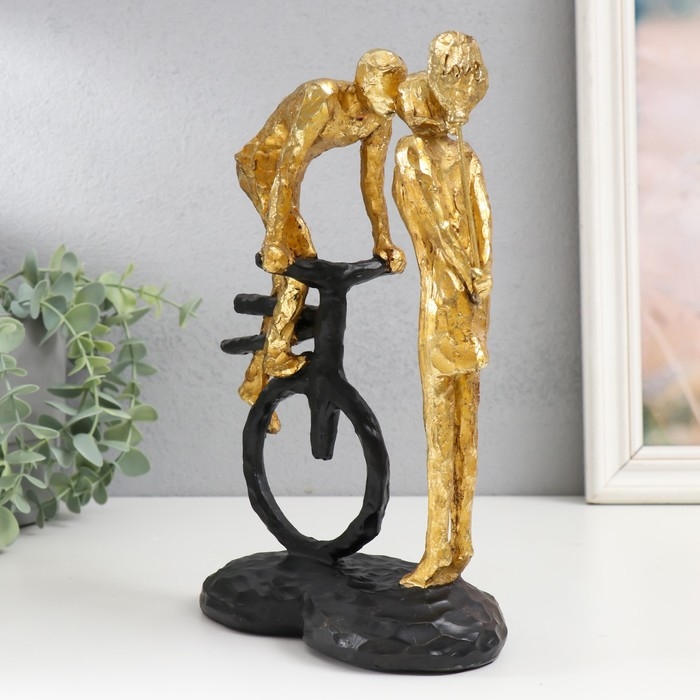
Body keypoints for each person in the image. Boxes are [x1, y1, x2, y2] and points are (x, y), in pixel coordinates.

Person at [235, 49, 407, 432]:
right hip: (262, 168)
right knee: (300, 261)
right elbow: (288, 165)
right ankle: (276, 354)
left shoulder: (380, 119)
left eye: (389, 106)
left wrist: (383, 239)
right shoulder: (323, 97)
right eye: (378, 102)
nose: (380, 114)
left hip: (285, 179)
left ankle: (254, 379)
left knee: (286, 281)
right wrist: (273, 240)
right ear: (361, 86)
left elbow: (372, 182)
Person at [392, 31, 493, 587]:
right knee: (462, 427)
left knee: (445, 431)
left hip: (446, 304)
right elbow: (479, 227)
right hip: (471, 300)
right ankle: (455, 543)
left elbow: (430, 227)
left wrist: (468, 275)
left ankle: (443, 549)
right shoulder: (463, 154)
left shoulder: (412, 154)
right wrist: (479, 276)